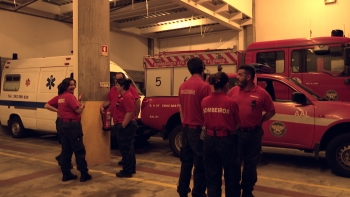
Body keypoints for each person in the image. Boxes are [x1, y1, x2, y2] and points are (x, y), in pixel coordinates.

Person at [227, 65, 275, 197]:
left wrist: (260, 121)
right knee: (234, 163)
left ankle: (247, 192)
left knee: (250, 165)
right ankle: (234, 192)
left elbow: (271, 111)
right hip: (236, 134)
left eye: (240, 74)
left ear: (249, 77)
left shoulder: (262, 93)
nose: (237, 77)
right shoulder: (233, 92)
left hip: (254, 134)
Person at [201, 71, 241, 197]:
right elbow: (237, 124)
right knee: (232, 176)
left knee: (212, 177)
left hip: (209, 141)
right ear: (226, 85)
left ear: (212, 85)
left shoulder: (204, 101)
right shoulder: (231, 102)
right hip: (227, 141)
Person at [46, 78, 91, 182]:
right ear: (66, 86)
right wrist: (82, 106)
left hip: (63, 125)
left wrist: (60, 111)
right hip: (73, 126)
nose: (73, 86)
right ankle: (84, 174)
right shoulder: (70, 97)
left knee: (66, 150)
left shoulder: (61, 96)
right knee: (79, 150)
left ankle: (66, 174)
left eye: (74, 84)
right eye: (71, 85)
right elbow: (78, 110)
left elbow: (47, 105)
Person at [178, 57, 211, 197]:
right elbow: (208, 110)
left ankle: (182, 190)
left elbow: (181, 108)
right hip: (198, 130)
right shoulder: (204, 87)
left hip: (185, 128)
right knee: (200, 163)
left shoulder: (183, 86)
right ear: (203, 68)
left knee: (186, 162)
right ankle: (198, 192)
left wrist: (185, 122)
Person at [100, 72, 140, 166]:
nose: (116, 83)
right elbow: (109, 101)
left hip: (125, 123)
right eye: (116, 80)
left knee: (127, 147)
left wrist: (124, 125)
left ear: (123, 84)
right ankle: (128, 164)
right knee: (124, 146)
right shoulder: (116, 92)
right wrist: (102, 106)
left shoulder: (128, 93)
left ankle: (128, 168)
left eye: (119, 81)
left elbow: (130, 110)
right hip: (118, 121)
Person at [44, 84, 75, 169]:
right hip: (62, 122)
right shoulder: (60, 97)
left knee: (67, 145)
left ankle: (63, 160)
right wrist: (58, 110)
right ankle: (64, 162)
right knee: (67, 145)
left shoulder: (65, 98)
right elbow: (46, 105)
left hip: (63, 122)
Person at [113, 78, 137, 178]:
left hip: (126, 126)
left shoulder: (127, 96)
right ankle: (131, 168)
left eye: (117, 85)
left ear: (122, 86)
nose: (116, 86)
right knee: (128, 148)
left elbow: (130, 112)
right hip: (123, 124)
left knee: (126, 149)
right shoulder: (123, 96)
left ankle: (127, 171)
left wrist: (123, 125)